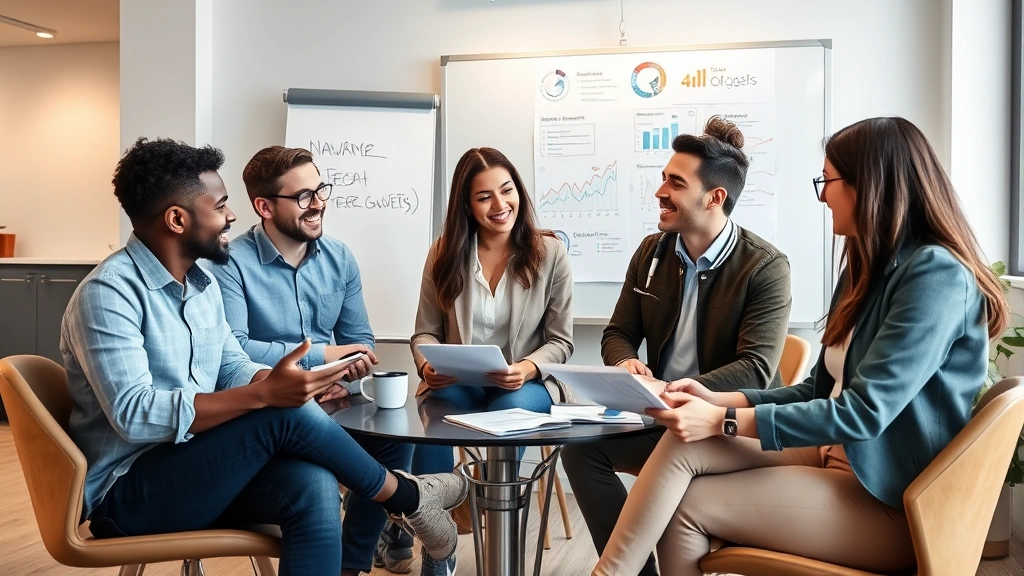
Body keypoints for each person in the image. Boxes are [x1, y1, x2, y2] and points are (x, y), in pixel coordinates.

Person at [592, 117, 1011, 576]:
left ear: (870, 185)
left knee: (687, 504)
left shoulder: (936, 276)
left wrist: (721, 419)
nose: (822, 195)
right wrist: (715, 399)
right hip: (833, 453)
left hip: (891, 497)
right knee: (683, 442)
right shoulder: (865, 264)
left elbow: (862, 413)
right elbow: (817, 390)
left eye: (828, 180)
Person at [62, 138, 467, 576]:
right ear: (177, 219)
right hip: (127, 492)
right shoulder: (109, 293)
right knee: (281, 411)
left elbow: (231, 364)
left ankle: (389, 520)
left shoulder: (201, 285)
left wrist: (276, 380)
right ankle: (409, 499)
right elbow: (134, 413)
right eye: (220, 206)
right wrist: (267, 395)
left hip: (197, 465)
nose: (231, 217)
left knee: (311, 483)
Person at [561, 116, 792, 576]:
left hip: (732, 428)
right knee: (580, 449)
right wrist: (627, 362)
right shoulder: (652, 252)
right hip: (665, 416)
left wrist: (678, 389)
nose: (660, 192)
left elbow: (757, 369)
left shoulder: (765, 267)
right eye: (663, 178)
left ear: (714, 197)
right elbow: (618, 332)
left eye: (675, 183)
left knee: (675, 467)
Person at [210, 145, 414, 576]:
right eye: (303, 195)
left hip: (335, 398)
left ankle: (351, 564)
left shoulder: (339, 257)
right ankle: (405, 510)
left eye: (320, 189)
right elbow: (235, 350)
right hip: (267, 409)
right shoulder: (231, 263)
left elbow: (359, 340)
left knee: (399, 431)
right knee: (317, 473)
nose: (318, 202)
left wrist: (349, 369)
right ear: (264, 206)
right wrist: (323, 358)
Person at [408, 146, 574, 575]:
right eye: (485, 197)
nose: (501, 205)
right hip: (457, 383)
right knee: (435, 416)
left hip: (525, 385)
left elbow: (560, 340)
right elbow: (425, 330)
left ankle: (500, 536)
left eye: (507, 191)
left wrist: (528, 368)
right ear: (466, 204)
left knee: (509, 414)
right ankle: (437, 547)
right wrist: (428, 366)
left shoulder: (550, 253)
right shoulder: (443, 251)